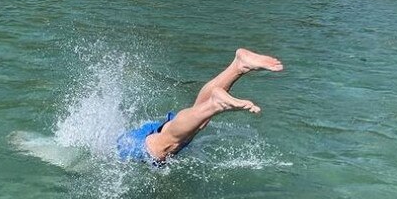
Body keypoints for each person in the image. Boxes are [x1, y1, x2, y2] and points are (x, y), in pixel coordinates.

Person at [117, 48, 283, 164]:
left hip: (130, 146)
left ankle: (215, 103)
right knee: (198, 116)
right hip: (139, 134)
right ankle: (239, 66)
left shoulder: (117, 152)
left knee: (165, 147)